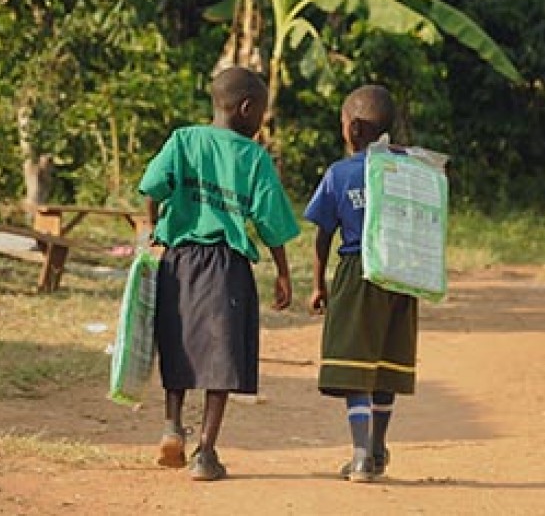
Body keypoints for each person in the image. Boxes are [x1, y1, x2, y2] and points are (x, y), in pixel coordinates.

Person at [138, 67, 299, 481]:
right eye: (261, 112)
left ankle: (173, 425)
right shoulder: (254, 157)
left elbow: (152, 186)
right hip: (226, 266)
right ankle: (205, 453)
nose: (262, 120)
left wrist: (157, 232)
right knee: (222, 358)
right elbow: (271, 223)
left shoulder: (183, 139)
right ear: (247, 109)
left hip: (179, 260)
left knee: (177, 344)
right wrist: (283, 273)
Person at [304, 84, 419, 482]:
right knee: (386, 365)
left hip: (358, 272)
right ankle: (378, 447)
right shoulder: (410, 168)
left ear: (352, 128)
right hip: (401, 275)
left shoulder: (340, 174)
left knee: (356, 366)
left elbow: (323, 235)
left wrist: (318, 284)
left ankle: (359, 456)